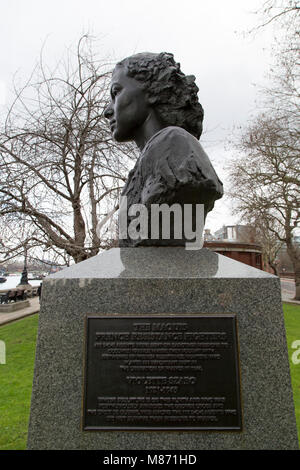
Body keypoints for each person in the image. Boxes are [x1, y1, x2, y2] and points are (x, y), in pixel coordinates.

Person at [104, 52, 223, 246]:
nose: (107, 111)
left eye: (116, 92)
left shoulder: (176, 145)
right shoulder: (150, 159)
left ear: (151, 91)